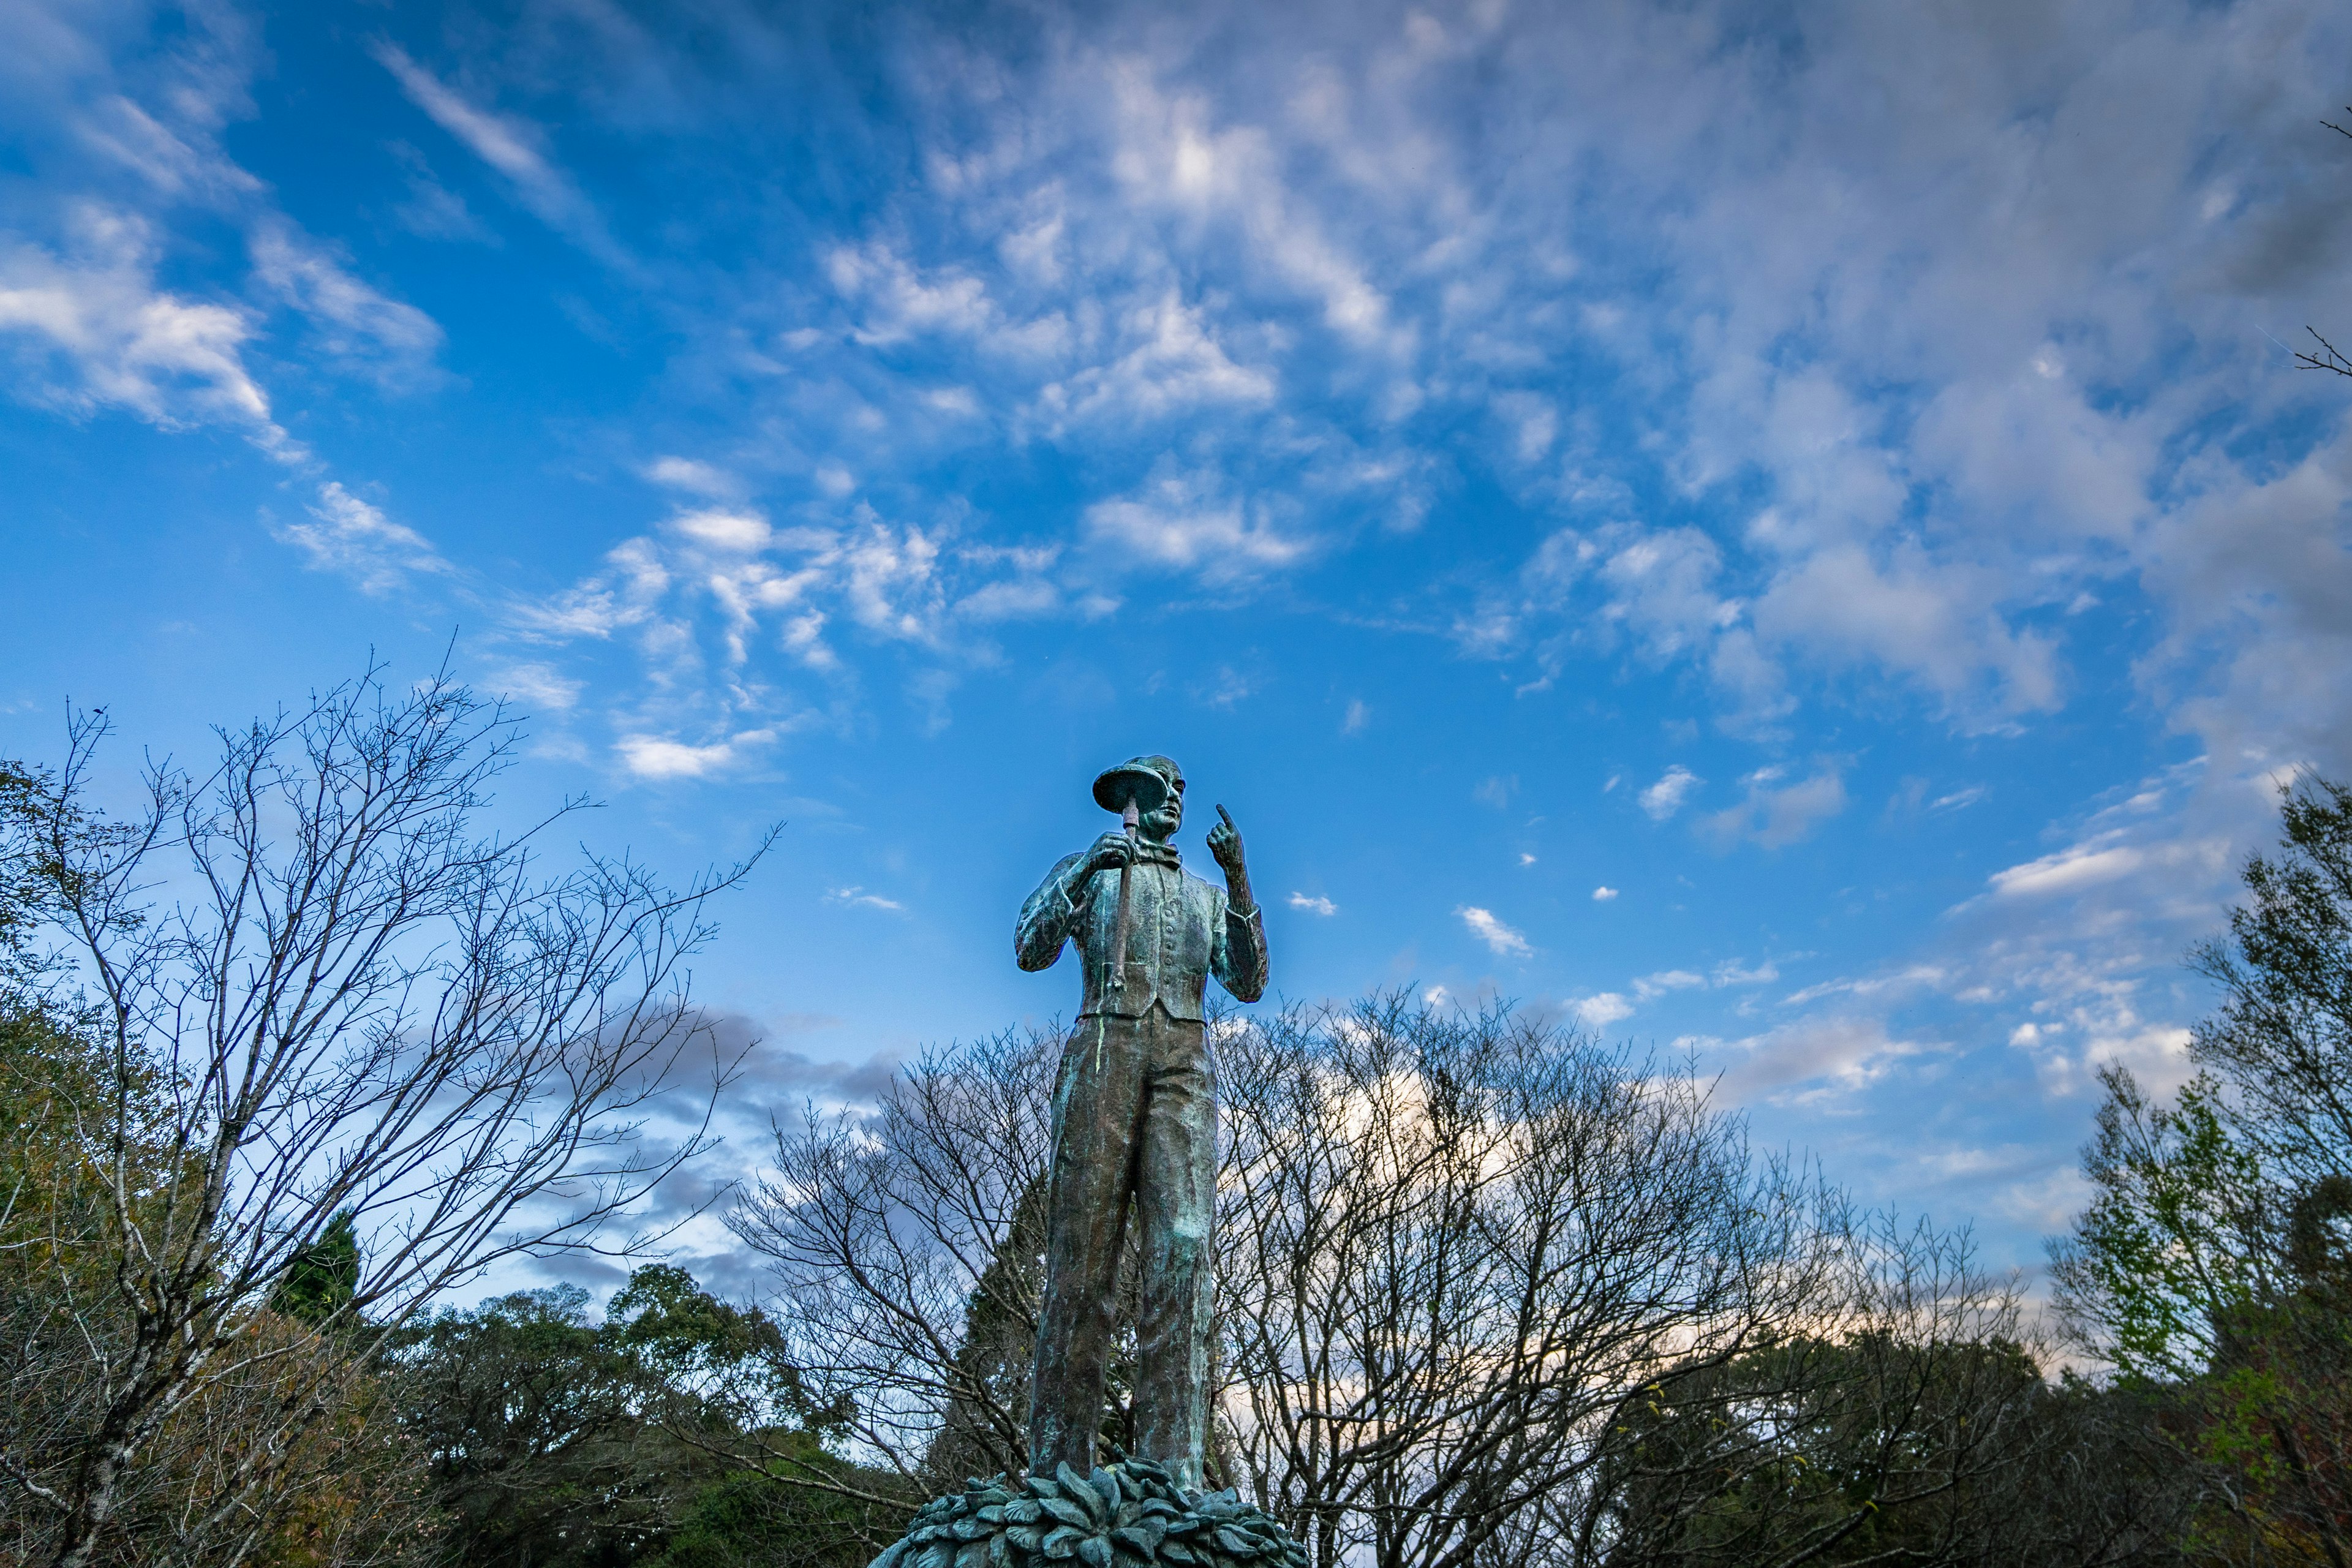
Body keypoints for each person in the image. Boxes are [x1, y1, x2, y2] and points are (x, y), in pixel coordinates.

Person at [1013, 754, 1266, 1487]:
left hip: (1184, 1060)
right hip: (1103, 1052)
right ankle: (1058, 1467)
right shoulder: (1093, 870)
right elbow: (1030, 948)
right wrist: (1090, 863)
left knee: (1183, 1251)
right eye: (1161, 786)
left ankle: (1171, 1468)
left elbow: (1247, 981)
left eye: (1183, 787)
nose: (1176, 797)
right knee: (1082, 1259)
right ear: (1130, 797)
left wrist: (1241, 877)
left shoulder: (1203, 893)